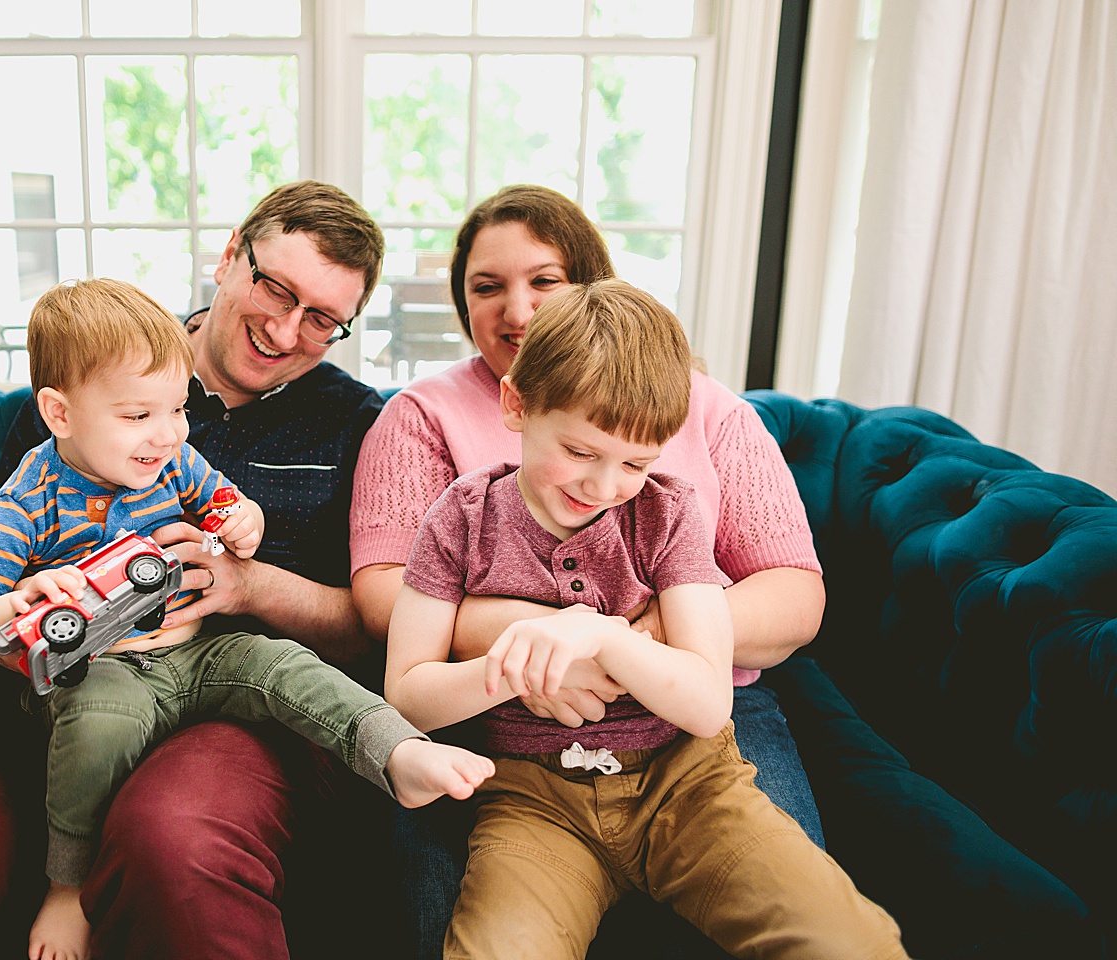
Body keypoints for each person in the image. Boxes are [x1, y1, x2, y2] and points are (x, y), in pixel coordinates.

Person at [0, 181, 414, 960]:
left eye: (323, 318)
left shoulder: (360, 423)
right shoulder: (97, 364)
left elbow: (370, 631)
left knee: (174, 847)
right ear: (231, 257)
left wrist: (251, 584)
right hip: (55, 680)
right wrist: (31, 605)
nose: (287, 328)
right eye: (276, 288)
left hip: (229, 696)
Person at [0, 278, 493, 960]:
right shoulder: (27, 501)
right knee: (98, 728)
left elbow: (228, 502)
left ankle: (399, 753)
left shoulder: (172, 461)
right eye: (138, 415)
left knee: (287, 667)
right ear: (59, 413)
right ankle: (66, 887)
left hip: (197, 650)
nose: (168, 432)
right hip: (105, 671)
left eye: (177, 408)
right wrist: (15, 603)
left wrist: (242, 521)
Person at [349, 184, 828, 957]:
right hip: (500, 720)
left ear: (591, 285)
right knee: (445, 918)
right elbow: (384, 598)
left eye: (544, 280)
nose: (517, 309)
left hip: (695, 706)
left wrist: (632, 641)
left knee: (794, 909)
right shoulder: (421, 415)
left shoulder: (700, 408)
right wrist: (547, 644)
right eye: (486, 286)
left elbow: (793, 596)